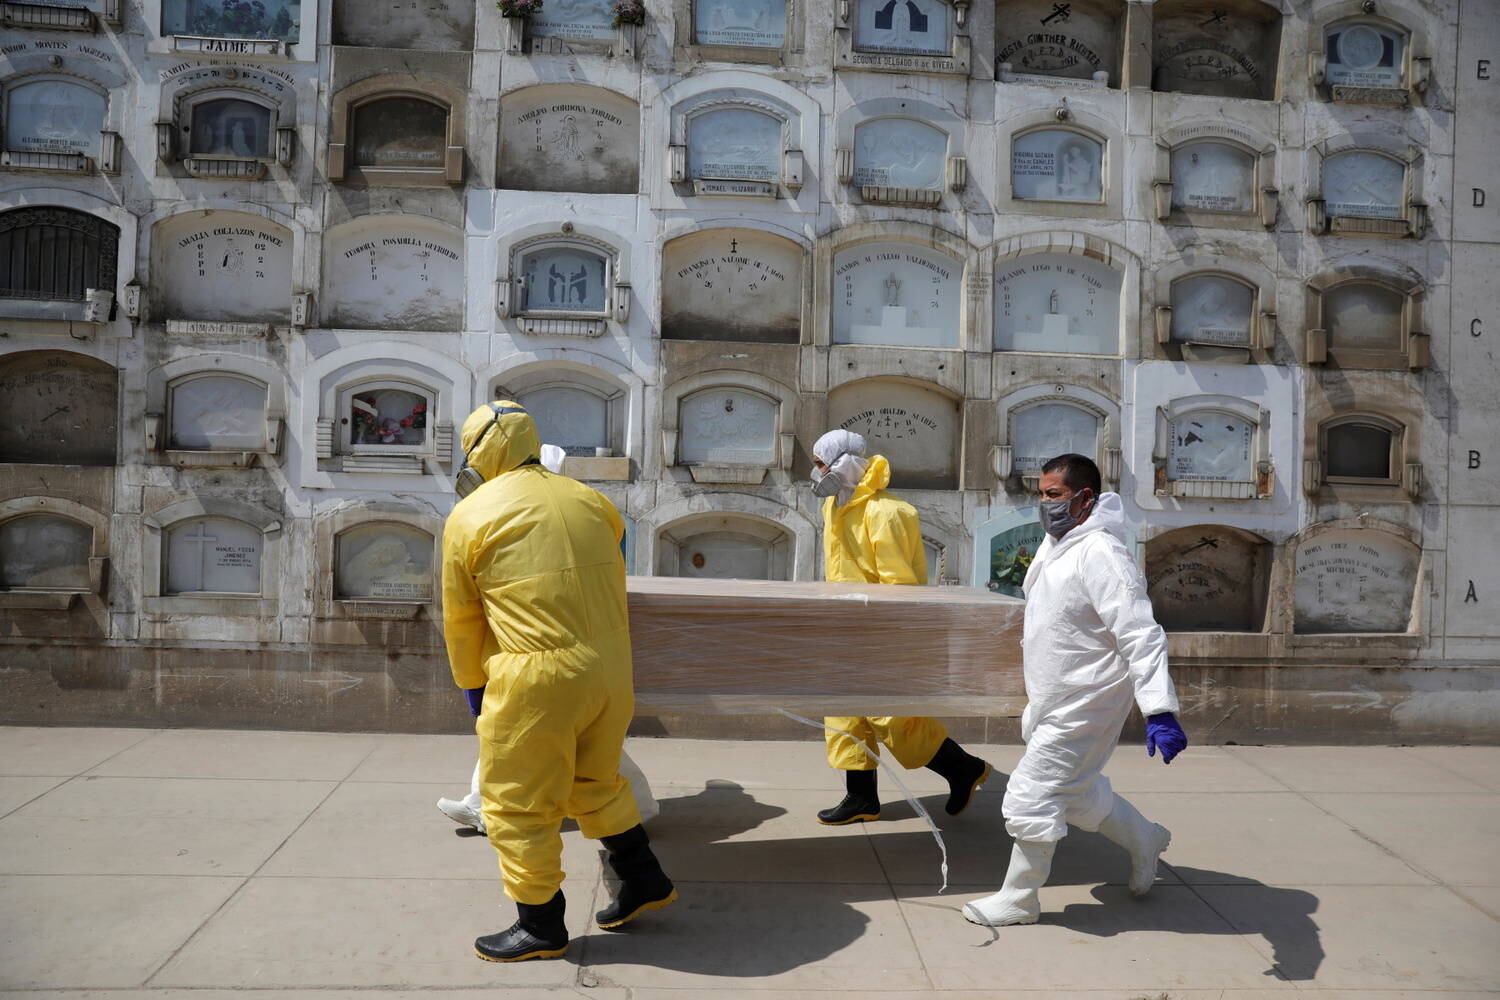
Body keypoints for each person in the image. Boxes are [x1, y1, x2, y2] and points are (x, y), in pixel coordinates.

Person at [443, 403, 676, 963]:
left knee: (516, 804)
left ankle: (540, 926)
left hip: (536, 679)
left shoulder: (471, 516)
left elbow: (461, 618)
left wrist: (474, 686)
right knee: (596, 783)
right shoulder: (591, 501)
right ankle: (644, 879)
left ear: (479, 454)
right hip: (610, 670)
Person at [963, 453, 1189, 928]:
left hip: (1088, 700)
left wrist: (1160, 710)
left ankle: (1020, 899)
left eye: (1054, 495)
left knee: (1029, 793)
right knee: (1076, 793)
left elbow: (1139, 632)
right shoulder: (1058, 544)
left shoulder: (1102, 553)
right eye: (1040, 495)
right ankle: (1145, 838)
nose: (1044, 506)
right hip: (1055, 696)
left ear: (1085, 498)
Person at [438, 446, 660, 834]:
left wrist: (472, 682)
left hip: (541, 661)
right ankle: (637, 813)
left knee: (524, 744)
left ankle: (635, 811)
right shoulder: (588, 510)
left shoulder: (545, 519)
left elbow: (463, 613)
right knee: (583, 751)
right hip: (586, 660)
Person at [810, 429, 992, 825]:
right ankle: (861, 798)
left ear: (843, 463)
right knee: (845, 713)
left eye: (821, 463)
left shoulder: (889, 512)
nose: (816, 471)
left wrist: (890, 635)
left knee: (889, 715)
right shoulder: (833, 508)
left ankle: (963, 768)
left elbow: (899, 585)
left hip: (882, 632)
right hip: (845, 627)